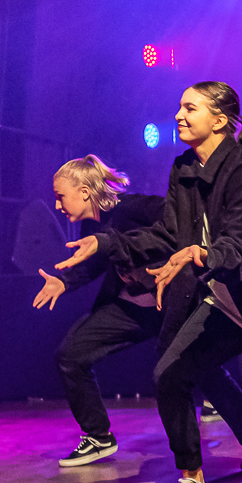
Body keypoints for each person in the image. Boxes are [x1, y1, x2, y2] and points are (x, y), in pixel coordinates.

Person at [63, 82, 242, 483]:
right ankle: (192, 480)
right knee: (171, 374)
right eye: (179, 107)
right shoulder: (183, 167)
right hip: (222, 302)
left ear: (218, 120)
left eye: (190, 108)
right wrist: (107, 243)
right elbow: (168, 234)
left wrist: (200, 253)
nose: (179, 115)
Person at [33, 155, 164, 465]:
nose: (57, 206)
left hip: (168, 304)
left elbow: (176, 219)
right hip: (131, 309)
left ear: (84, 192)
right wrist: (64, 282)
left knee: (197, 371)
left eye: (60, 197)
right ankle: (98, 436)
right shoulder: (91, 225)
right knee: (70, 355)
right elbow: (95, 264)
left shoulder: (132, 207)